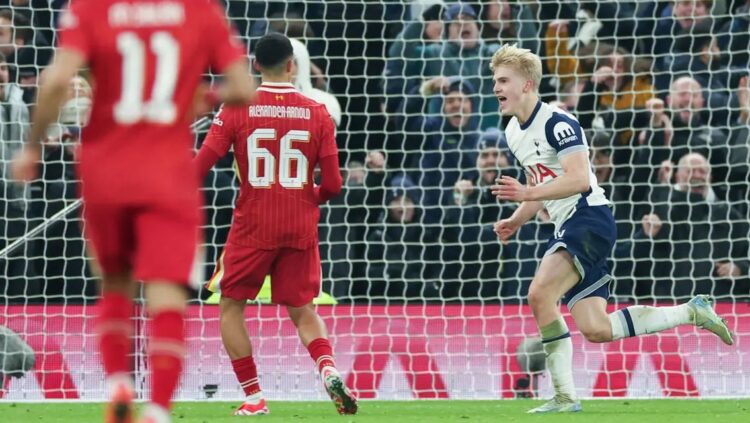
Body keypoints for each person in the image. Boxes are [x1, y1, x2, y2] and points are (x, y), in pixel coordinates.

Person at [12, 1, 255, 422]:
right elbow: (243, 88)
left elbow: (54, 82)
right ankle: (157, 408)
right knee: (166, 294)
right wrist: (201, 96)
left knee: (116, 283)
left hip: (105, 168)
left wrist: (32, 146)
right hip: (168, 173)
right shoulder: (199, 11)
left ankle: (119, 384)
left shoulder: (91, 8)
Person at [488, 44, 734, 414]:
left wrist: (528, 192)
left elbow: (578, 180)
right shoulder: (512, 132)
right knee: (596, 328)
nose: (495, 87)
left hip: (588, 218)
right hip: (568, 225)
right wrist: (517, 218)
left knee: (540, 295)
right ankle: (692, 312)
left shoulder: (559, 123)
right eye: (494, 80)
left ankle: (565, 397)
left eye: (503, 80)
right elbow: (542, 183)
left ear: (527, 84)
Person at [194, 33, 357, 416]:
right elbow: (333, 185)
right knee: (303, 309)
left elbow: (200, 168)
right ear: (292, 66)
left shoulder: (237, 108)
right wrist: (304, 197)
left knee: (232, 307)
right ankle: (328, 368)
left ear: (254, 66)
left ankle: (254, 397)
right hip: (300, 224)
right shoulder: (318, 112)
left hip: (253, 223)